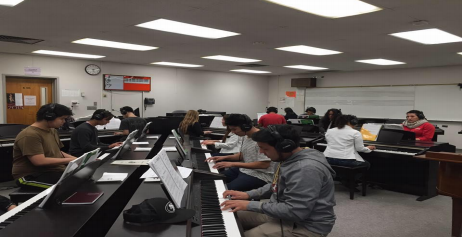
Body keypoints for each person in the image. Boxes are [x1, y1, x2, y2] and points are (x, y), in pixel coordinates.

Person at [220, 125, 336, 237]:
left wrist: (251, 205)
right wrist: (248, 195)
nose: (261, 152)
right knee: (227, 216)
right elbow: (276, 184)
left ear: (284, 147)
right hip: (281, 213)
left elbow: (296, 211)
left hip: (305, 225)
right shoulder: (285, 158)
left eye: (264, 148)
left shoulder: (305, 169)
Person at [13, 103, 77, 190]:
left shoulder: (52, 130)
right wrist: (71, 160)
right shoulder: (30, 134)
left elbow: (58, 152)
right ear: (49, 117)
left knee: (82, 179)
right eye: (62, 119)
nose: (64, 122)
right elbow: (39, 161)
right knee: (69, 186)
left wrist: (79, 159)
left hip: (51, 171)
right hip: (30, 176)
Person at [206, 114, 274, 191]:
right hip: (245, 169)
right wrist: (224, 157)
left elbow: (264, 164)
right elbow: (242, 155)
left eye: (234, 129)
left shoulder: (262, 138)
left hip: (261, 175)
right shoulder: (245, 136)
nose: (233, 132)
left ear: (245, 127)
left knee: (225, 189)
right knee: (214, 178)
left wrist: (232, 163)